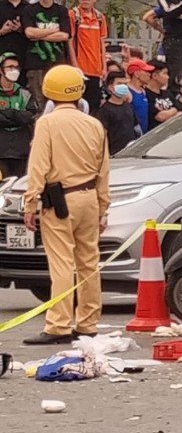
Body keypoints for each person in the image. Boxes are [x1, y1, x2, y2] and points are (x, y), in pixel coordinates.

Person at [20, 65, 112, 346]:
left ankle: (58, 325)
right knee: (88, 263)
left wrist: (30, 202)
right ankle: (88, 323)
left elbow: (39, 166)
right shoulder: (94, 123)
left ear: (49, 91)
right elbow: (103, 168)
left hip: (59, 202)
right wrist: (102, 205)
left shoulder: (47, 124)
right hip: (88, 200)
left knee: (61, 263)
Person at [69, 0, 109, 108]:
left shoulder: (100, 17)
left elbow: (101, 43)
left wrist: (104, 67)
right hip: (79, 69)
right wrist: (75, 65)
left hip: (96, 70)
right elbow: (69, 41)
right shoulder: (74, 15)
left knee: (93, 107)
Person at [0, 57, 32, 178]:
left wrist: (8, 113)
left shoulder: (25, 93)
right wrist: (17, 115)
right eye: (10, 67)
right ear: (1, 70)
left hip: (21, 150)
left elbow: (30, 116)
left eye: (17, 67)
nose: (14, 70)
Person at [98, 74, 141, 153]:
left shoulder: (129, 107)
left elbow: (136, 128)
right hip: (114, 153)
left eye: (125, 84)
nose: (123, 87)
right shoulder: (105, 110)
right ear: (111, 87)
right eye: (119, 84)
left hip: (131, 151)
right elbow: (102, 135)